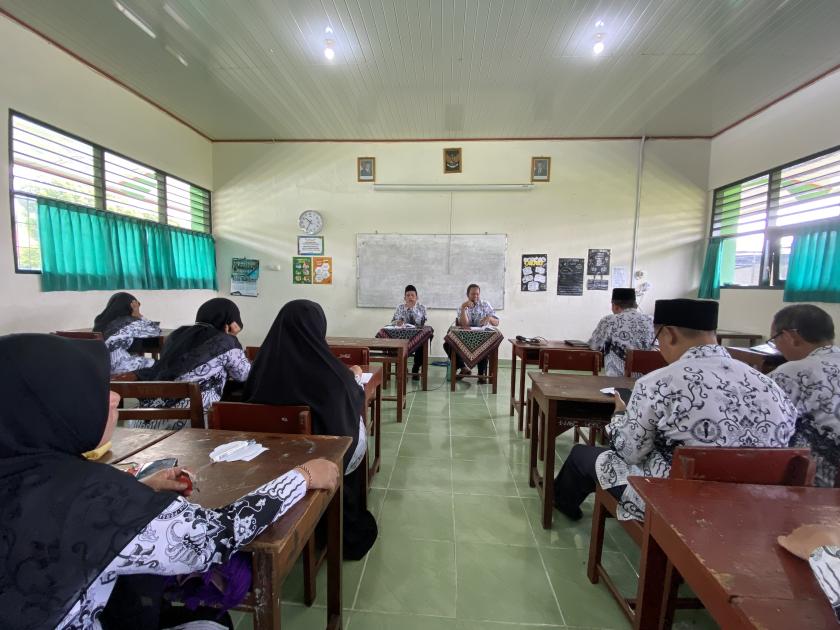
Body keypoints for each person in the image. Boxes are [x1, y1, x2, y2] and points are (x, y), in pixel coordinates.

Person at [0, 333, 339, 630]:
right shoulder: (91, 497)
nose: (116, 397)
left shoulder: (38, 475)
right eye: (94, 390)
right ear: (56, 408)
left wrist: (140, 488)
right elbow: (216, 535)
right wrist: (303, 476)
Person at [553, 298, 797, 522]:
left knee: (581, 456)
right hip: (755, 504)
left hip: (676, 501)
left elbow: (629, 452)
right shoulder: (770, 383)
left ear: (668, 334)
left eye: (657, 340)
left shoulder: (659, 382)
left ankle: (564, 505)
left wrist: (619, 415)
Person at [243, 299, 378, 560]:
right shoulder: (331, 375)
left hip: (267, 463)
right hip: (315, 462)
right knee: (358, 431)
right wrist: (354, 378)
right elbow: (350, 402)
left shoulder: (260, 368)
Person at [134, 298, 250, 426]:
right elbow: (243, 375)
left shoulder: (176, 334)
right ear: (231, 321)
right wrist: (233, 338)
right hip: (184, 421)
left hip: (145, 417)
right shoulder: (225, 341)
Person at [767, 304, 840, 487]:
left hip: (824, 484)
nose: (776, 347)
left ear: (791, 336)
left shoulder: (792, 372)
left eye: (774, 339)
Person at [588, 287, 655, 376]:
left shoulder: (609, 320)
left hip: (618, 380)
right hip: (647, 377)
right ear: (635, 305)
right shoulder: (651, 320)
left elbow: (594, 346)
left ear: (615, 306)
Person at [93, 292, 161, 375]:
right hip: (119, 366)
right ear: (130, 307)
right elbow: (155, 330)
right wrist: (138, 315)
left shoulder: (100, 321)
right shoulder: (129, 322)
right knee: (160, 365)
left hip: (100, 366)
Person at [443, 283, 500, 376]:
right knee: (447, 344)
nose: (475, 296)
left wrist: (489, 318)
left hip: (482, 337)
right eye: (473, 294)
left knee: (485, 345)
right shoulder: (463, 306)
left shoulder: (485, 304)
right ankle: (463, 368)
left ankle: (481, 374)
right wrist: (463, 308)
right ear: (468, 295)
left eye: (477, 294)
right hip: (466, 338)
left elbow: (497, 322)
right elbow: (464, 324)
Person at [391, 284, 428, 380]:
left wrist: (412, 309)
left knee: (422, 341)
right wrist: (397, 322)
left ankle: (416, 368)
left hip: (417, 336)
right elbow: (393, 321)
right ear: (404, 298)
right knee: (396, 342)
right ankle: (402, 367)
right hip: (402, 336)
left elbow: (420, 322)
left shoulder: (422, 307)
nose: (410, 298)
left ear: (417, 297)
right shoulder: (400, 307)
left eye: (412, 295)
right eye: (408, 295)